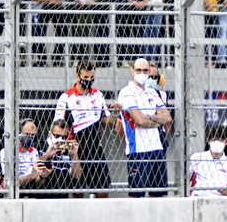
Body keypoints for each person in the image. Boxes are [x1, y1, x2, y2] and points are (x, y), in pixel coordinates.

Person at [54, 61, 114, 197]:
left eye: (91, 77)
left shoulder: (98, 95)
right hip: (75, 149)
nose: (88, 80)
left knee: (103, 191)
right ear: (77, 76)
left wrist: (115, 113)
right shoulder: (66, 97)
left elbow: (107, 121)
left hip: (95, 147)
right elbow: (57, 126)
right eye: (85, 77)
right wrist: (65, 146)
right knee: (77, 193)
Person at [117, 58, 172, 197]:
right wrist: (156, 120)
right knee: (136, 195)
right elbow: (139, 120)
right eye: (139, 70)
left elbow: (167, 117)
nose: (142, 73)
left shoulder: (152, 92)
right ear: (132, 71)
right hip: (138, 149)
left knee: (157, 194)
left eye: (145, 70)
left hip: (157, 147)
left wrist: (148, 119)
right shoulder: (126, 92)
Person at [0, 118, 47, 194]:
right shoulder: (6, 151)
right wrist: (32, 176)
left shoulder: (34, 151)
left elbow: (37, 183)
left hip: (30, 193)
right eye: (27, 134)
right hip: (12, 194)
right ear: (19, 133)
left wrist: (42, 176)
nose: (30, 137)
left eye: (33, 135)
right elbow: (10, 182)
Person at [188, 131, 227, 197]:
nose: (217, 143)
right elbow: (185, 178)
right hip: (197, 198)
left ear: (226, 142)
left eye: (221, 140)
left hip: (219, 199)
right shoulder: (197, 158)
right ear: (209, 141)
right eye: (214, 140)